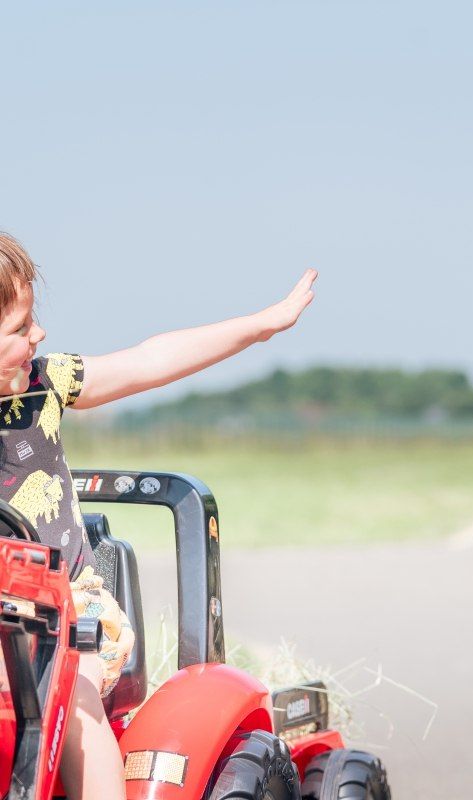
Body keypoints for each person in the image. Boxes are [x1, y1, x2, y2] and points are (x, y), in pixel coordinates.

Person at [0, 233, 316, 800]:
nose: (39, 334)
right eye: (21, 329)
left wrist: (259, 325)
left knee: (64, 696)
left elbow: (150, 359)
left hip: (71, 610)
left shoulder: (46, 385)